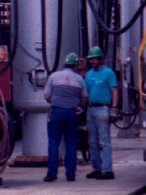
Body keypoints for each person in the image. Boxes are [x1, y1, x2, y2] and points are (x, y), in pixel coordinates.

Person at [43, 53, 88, 182]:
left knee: (53, 142)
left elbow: (46, 96)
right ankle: (70, 174)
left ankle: (52, 173)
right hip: (72, 113)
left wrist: (57, 102)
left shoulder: (54, 76)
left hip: (56, 112)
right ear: (75, 66)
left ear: (64, 64)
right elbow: (84, 99)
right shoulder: (79, 79)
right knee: (71, 143)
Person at [84, 46, 119, 180]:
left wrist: (114, 108)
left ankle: (108, 170)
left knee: (104, 141)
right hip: (91, 108)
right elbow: (85, 92)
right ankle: (96, 168)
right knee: (92, 141)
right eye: (90, 59)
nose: (92, 61)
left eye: (94, 59)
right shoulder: (89, 74)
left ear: (100, 59)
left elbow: (115, 90)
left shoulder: (108, 73)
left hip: (103, 108)